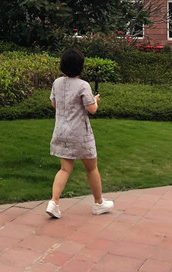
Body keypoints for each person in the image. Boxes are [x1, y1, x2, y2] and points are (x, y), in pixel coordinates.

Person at [46, 49, 114, 218]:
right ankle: (99, 203)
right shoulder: (83, 85)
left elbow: (55, 104)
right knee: (91, 168)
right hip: (80, 134)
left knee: (64, 169)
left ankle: (54, 202)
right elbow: (92, 109)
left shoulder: (57, 83)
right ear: (80, 66)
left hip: (61, 132)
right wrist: (95, 100)